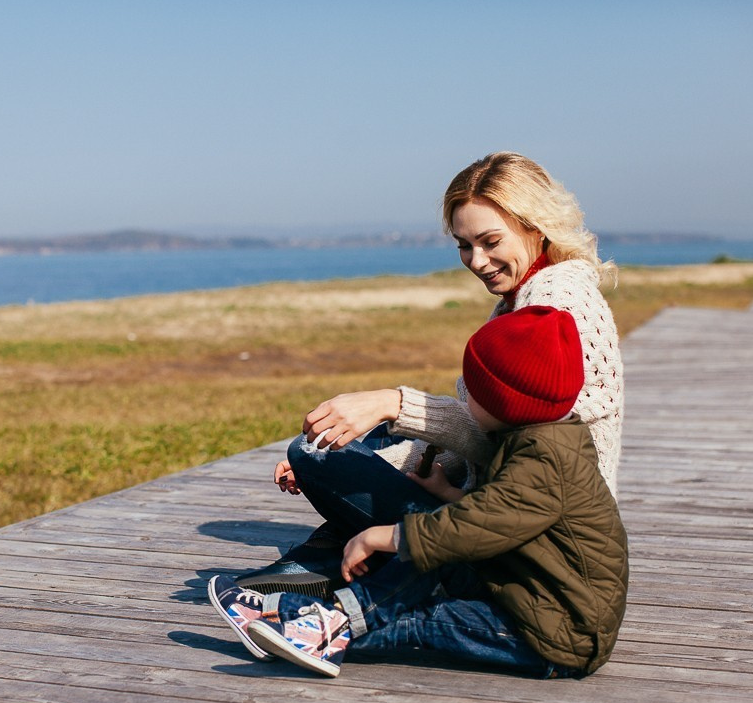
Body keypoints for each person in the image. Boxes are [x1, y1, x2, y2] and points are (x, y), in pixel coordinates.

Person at [235, 151, 623, 597]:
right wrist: (377, 454)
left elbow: (529, 453)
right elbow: (496, 434)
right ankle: (333, 548)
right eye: (463, 244)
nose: (476, 261)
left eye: (490, 241)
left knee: (311, 453)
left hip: (519, 542)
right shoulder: (531, 293)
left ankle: (328, 558)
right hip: (505, 506)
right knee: (364, 442)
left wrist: (394, 404)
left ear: (536, 228)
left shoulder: (557, 305)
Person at [209, 305, 629, 678]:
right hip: (526, 590)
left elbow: (480, 525)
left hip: (556, 635)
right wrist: (447, 493)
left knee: (423, 618)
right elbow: (510, 518)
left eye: (474, 388)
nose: (465, 395)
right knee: (426, 561)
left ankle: (296, 624)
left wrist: (387, 535)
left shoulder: (545, 458)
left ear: (502, 400)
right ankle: (300, 624)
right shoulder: (544, 439)